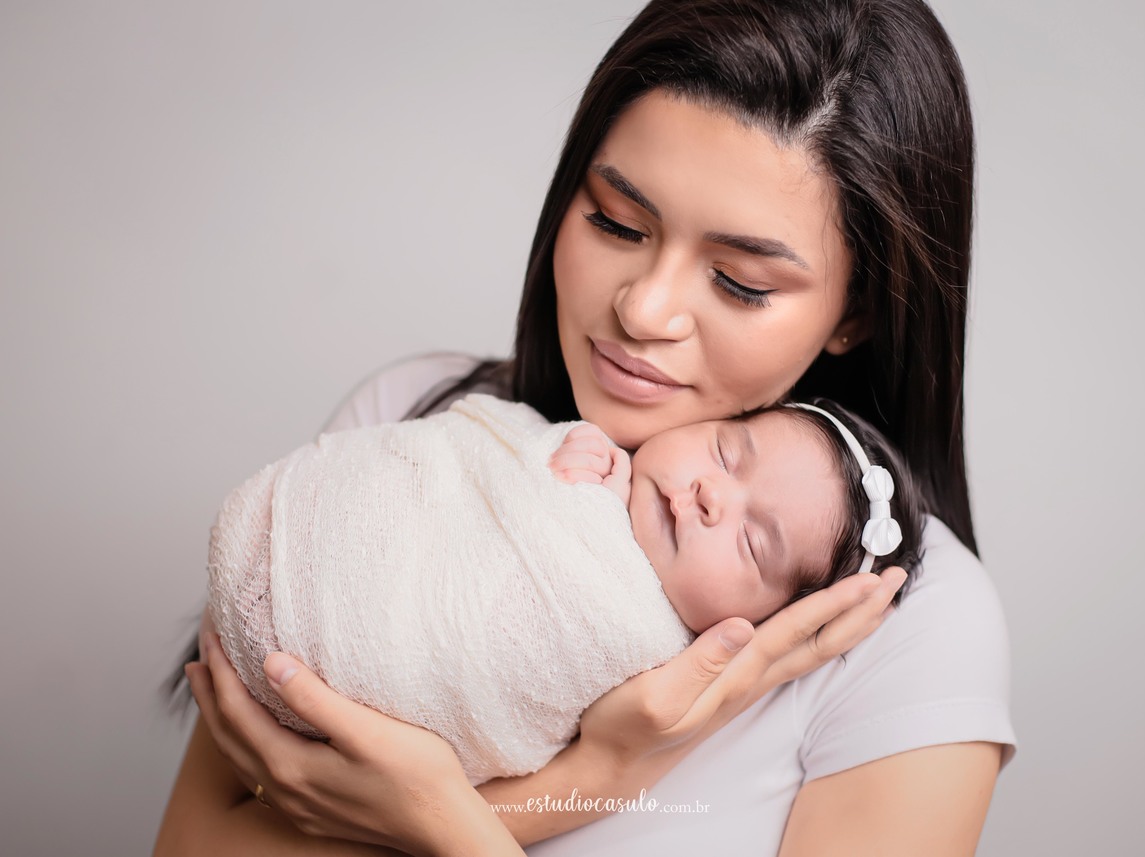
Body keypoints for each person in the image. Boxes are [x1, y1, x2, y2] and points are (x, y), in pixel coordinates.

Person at [156, 1, 1016, 854]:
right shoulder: (420, 420)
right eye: (617, 221)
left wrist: (451, 815)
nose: (643, 308)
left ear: (856, 312)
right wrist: (588, 778)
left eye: (741, 282)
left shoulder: (913, 628)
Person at [208, 392, 925, 786]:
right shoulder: (588, 449)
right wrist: (552, 459)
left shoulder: (650, 655)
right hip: (296, 558)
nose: (711, 494)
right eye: (725, 450)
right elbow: (467, 469)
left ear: (767, 626)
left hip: (349, 663)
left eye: (753, 542)